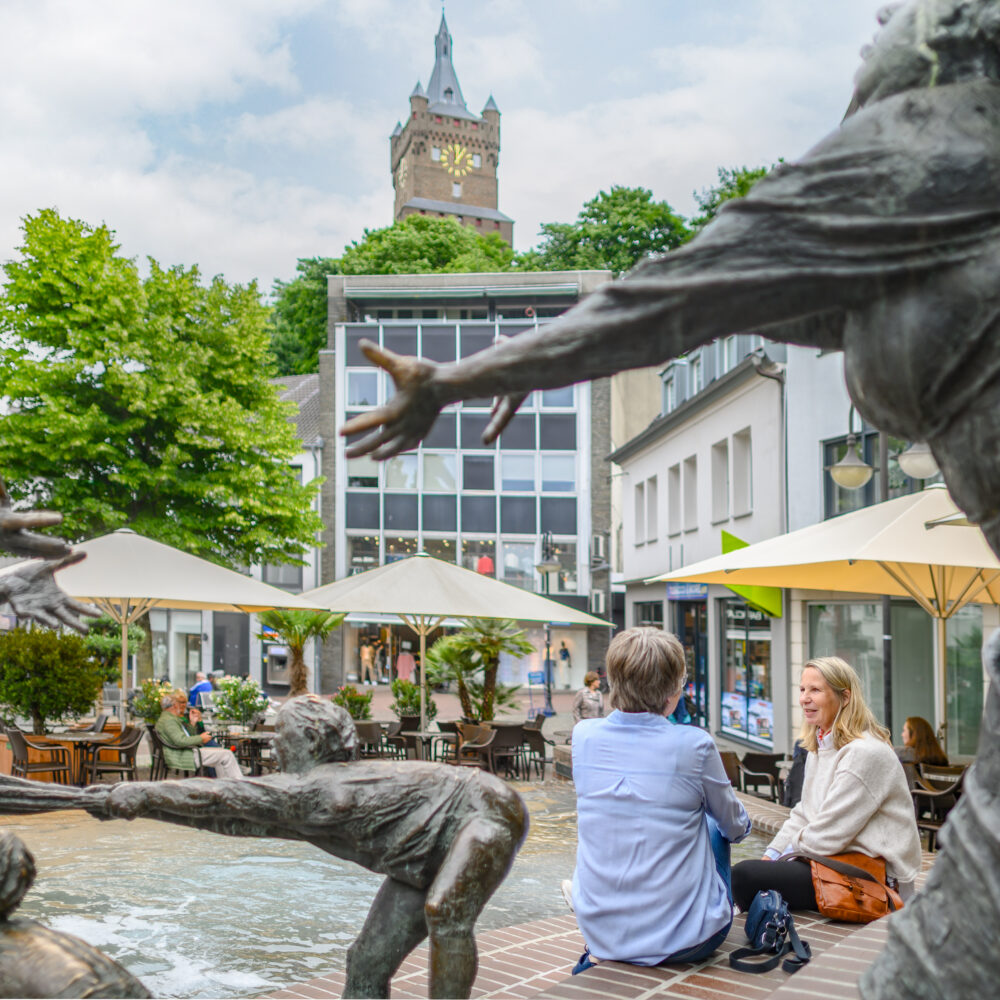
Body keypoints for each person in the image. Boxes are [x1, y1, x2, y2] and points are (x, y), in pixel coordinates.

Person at [0, 695, 529, 1000]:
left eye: (283, 734)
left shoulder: (324, 791)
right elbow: (235, 821)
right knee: (366, 963)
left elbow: (221, 794)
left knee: (446, 913)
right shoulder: (310, 797)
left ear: (312, 743)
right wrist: (131, 804)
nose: (275, 743)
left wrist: (139, 790)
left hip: (486, 815)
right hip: (425, 850)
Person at [570, 628, 750, 970]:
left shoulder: (583, 736)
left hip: (599, 934)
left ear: (613, 683)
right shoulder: (694, 744)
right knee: (713, 821)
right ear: (673, 692)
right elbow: (736, 827)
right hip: (688, 940)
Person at [731, 656, 922, 913]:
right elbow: (803, 814)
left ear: (845, 698)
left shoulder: (865, 752)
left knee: (743, 875)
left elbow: (831, 833)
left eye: (815, 690)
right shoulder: (820, 748)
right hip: (832, 861)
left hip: (871, 878)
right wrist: (772, 855)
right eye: (802, 689)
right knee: (751, 873)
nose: (804, 698)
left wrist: (781, 860)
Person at [155, 691, 243, 780]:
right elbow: (180, 741)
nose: (181, 706)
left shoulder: (168, 718)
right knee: (227, 754)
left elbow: (185, 737)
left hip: (187, 752)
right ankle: (239, 785)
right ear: (174, 706)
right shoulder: (169, 720)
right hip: (185, 755)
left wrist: (193, 723)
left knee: (222, 755)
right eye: (178, 703)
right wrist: (201, 738)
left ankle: (225, 785)